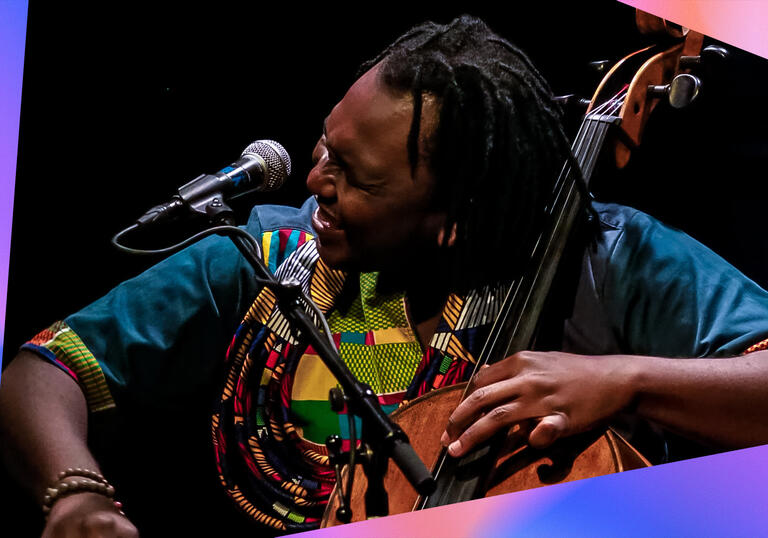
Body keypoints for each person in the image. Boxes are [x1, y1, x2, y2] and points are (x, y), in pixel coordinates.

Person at [2, 14, 768, 537]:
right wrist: (75, 489)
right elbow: (45, 369)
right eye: (325, 146)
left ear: (452, 218)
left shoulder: (611, 257)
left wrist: (627, 380)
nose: (314, 183)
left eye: (357, 178)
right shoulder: (269, 256)